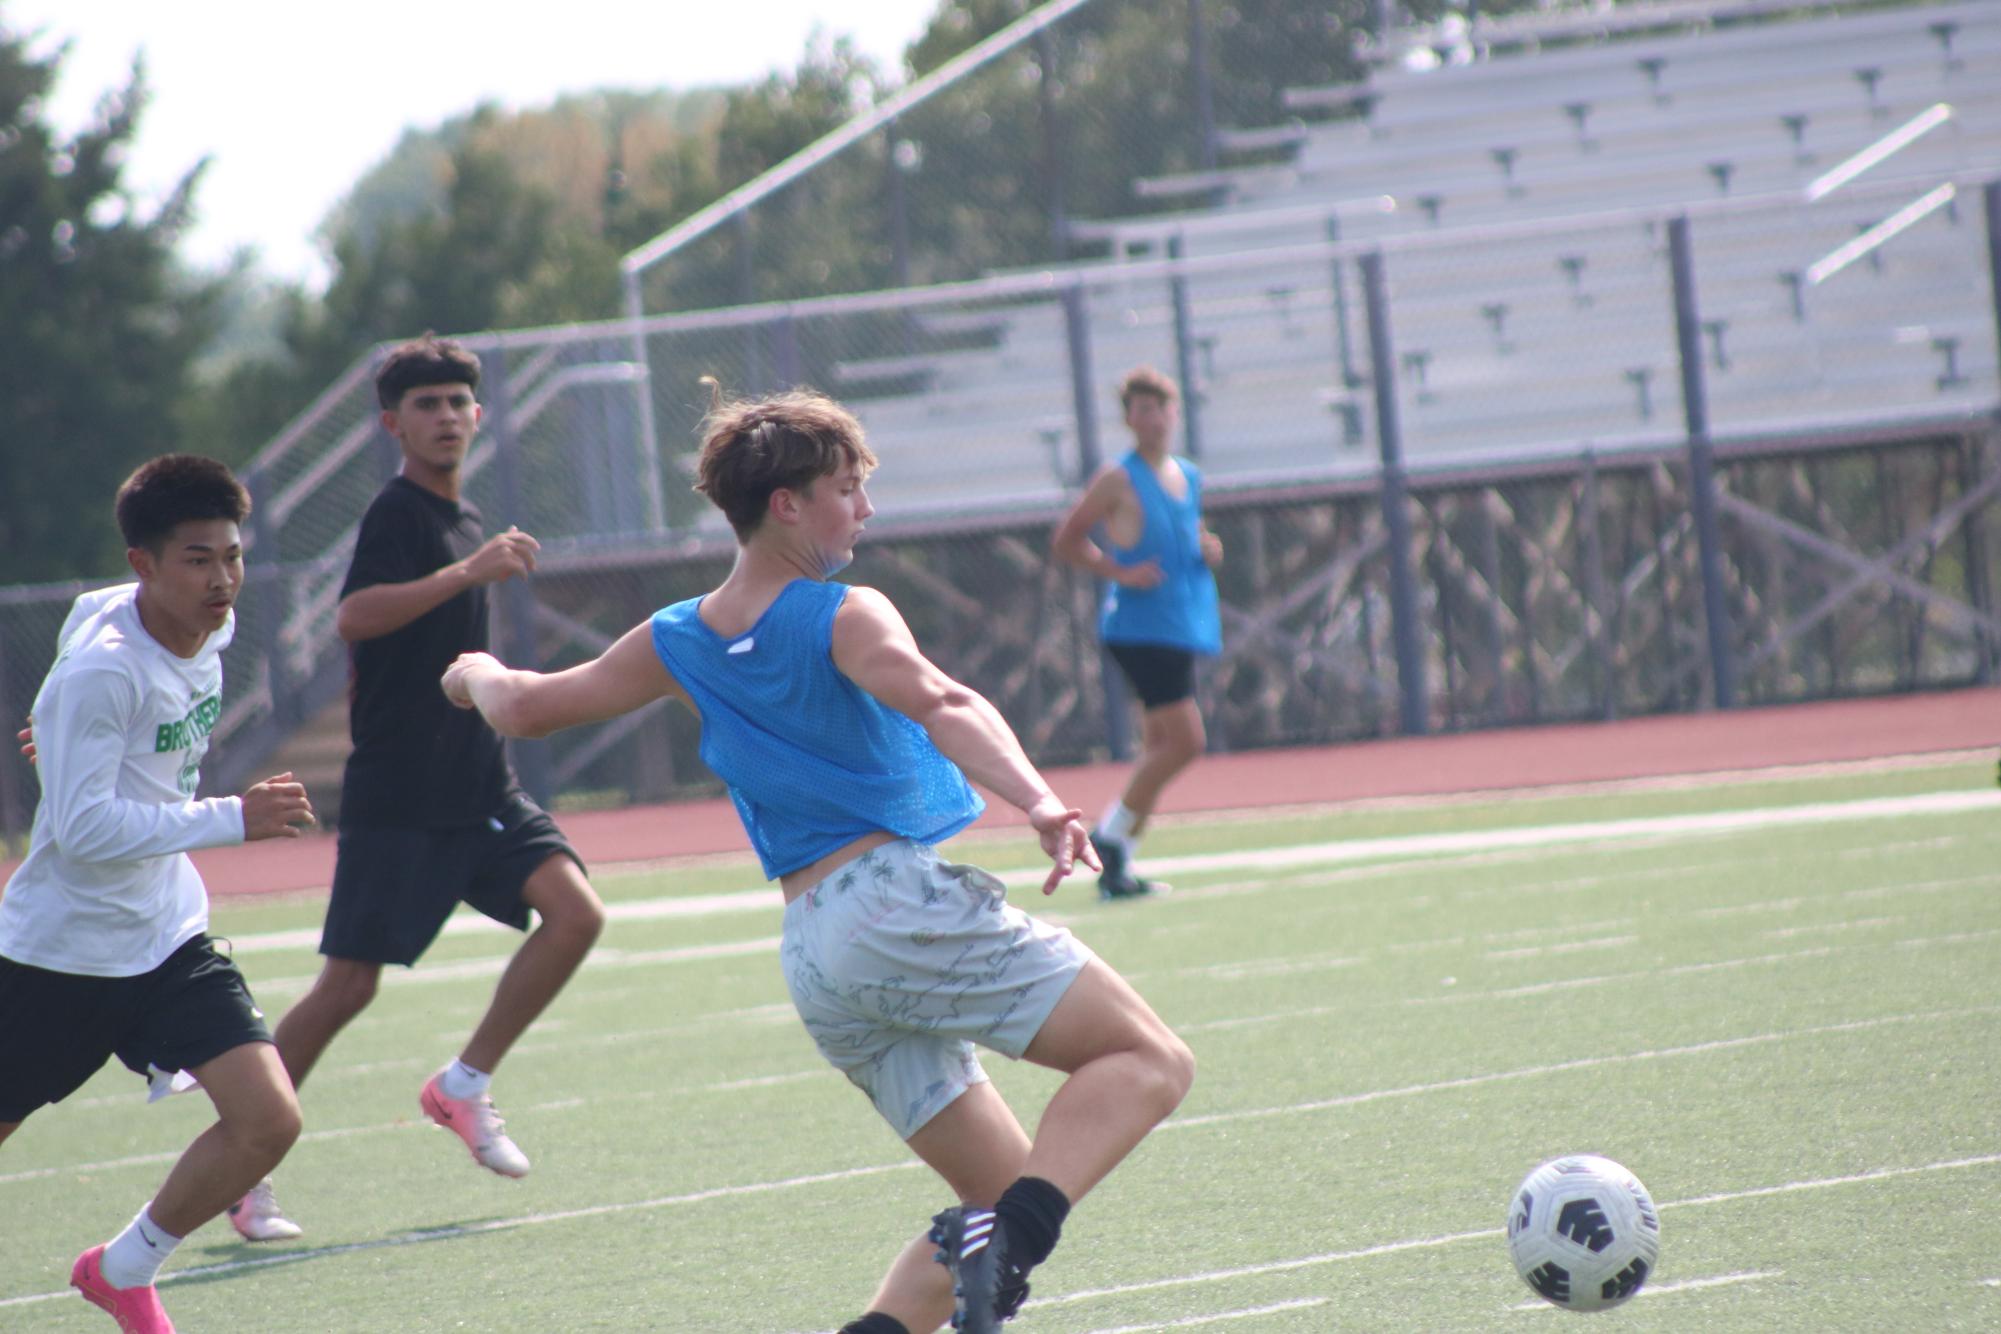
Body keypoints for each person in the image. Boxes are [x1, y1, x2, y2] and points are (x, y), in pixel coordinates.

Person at [439, 384, 1195, 1334]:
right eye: (847, 487)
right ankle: (1013, 1248)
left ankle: (965, 1264)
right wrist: (1039, 801)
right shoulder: (842, 612)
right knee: (1147, 1061)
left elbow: (525, 705)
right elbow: (944, 702)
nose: (865, 508)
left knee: (995, 1192)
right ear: (786, 504)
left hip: (816, 954)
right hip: (893, 905)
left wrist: (468, 673)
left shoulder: (678, 636)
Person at [234, 336, 605, 1239]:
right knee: (347, 986)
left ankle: (463, 1084)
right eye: (426, 404)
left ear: (478, 416)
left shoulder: (467, 516)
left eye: (457, 403)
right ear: (392, 424)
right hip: (400, 791)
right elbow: (355, 616)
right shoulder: (399, 515)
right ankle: (240, 1165)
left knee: (578, 914)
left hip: (479, 780)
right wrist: (465, 576)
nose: (445, 417)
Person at [0, 455, 315, 1333]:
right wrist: (230, 818)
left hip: (167, 935)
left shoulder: (194, 626)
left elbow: (78, 623)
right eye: (197, 559)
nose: (222, 581)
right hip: (61, 952)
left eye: (232, 556)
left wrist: (63, 738)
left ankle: (123, 1269)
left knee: (267, 1121)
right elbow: (88, 832)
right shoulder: (104, 671)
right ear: (144, 564)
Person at [1052, 366, 1224, 901]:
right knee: (1186, 742)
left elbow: (1187, 533)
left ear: (1175, 413)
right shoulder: (1118, 477)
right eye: (1141, 409)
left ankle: (1121, 866)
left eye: (1161, 407)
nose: (1152, 418)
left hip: (1181, 620)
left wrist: (1208, 547)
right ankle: (1110, 837)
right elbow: (1069, 539)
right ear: (1129, 418)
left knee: (1158, 746)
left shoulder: (1187, 476)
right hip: (1139, 625)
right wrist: (1119, 572)